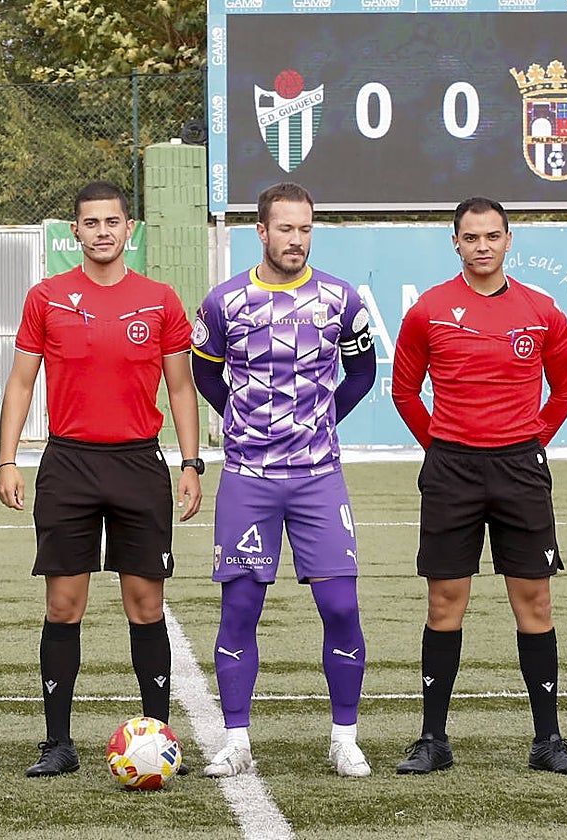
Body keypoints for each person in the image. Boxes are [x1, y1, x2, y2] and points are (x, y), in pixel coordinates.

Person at [0, 180, 203, 777]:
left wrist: (191, 463)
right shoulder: (47, 297)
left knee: (146, 604)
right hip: (68, 465)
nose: (103, 231)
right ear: (76, 231)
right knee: (64, 605)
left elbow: (181, 388)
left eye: (113, 221)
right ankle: (57, 744)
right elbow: (21, 382)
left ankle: (159, 737)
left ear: (129, 229)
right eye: (91, 222)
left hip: (139, 464)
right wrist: (7, 459)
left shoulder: (159, 300)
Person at [390, 196, 567, 775]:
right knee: (445, 601)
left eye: (492, 236)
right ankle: (433, 739)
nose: (482, 246)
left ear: (508, 241)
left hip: (520, 470)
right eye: (471, 237)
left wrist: (532, 440)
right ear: (455, 242)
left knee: (535, 600)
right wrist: (440, 447)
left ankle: (548, 740)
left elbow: (566, 388)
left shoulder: (541, 311)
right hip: (452, 469)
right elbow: (405, 391)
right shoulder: (428, 311)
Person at [190, 182, 378, 778]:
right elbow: (205, 373)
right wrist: (246, 421)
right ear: (262, 231)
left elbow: (363, 373)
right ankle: (236, 740)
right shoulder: (224, 302)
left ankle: (344, 738)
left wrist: (318, 423)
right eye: (285, 228)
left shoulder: (341, 299)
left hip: (318, 477)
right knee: (240, 608)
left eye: (304, 229)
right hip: (249, 478)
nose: (295, 240)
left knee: (340, 605)